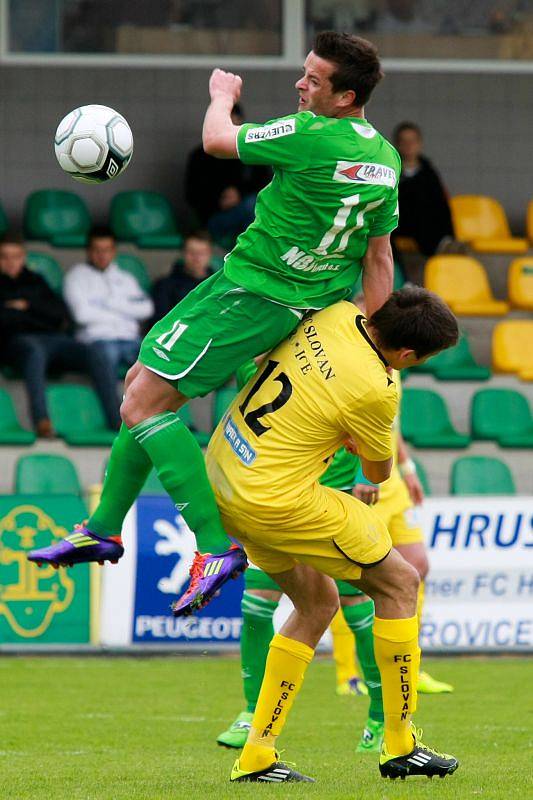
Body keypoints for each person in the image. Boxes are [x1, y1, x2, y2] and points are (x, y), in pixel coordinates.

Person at [29, 32, 400, 616]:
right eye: (303, 73)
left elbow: (215, 140)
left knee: (142, 405)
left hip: (250, 294)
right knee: (140, 383)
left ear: (347, 96)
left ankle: (212, 547)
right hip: (301, 304)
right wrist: (374, 350)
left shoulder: (311, 135)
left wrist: (221, 95)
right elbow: (378, 258)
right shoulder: (384, 160)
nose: (300, 85)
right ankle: (102, 526)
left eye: (314, 80)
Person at [206, 288, 459, 782]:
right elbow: (377, 470)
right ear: (407, 356)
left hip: (225, 476)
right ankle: (400, 744)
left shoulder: (336, 314)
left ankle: (257, 753)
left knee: (318, 603)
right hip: (278, 498)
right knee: (401, 583)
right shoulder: (376, 388)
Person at [0, 233, 116, 437]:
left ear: (23, 257)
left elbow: (60, 314)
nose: (11, 262)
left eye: (16, 256)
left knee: (96, 352)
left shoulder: (36, 281)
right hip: (17, 344)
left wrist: (25, 307)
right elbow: (6, 321)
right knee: (34, 352)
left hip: (54, 340)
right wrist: (33, 314)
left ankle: (118, 421)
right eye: (4, 256)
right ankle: (42, 421)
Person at [63, 226, 154, 429]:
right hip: (97, 340)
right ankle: (118, 422)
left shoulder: (125, 278)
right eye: (97, 249)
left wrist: (107, 304)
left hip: (130, 340)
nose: (102, 255)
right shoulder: (76, 277)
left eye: (107, 249)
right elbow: (82, 315)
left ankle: (170, 420)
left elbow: (146, 308)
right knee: (104, 357)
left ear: (114, 251)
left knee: (158, 358)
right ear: (88, 250)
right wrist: (125, 309)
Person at [184, 104, 271, 246]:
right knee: (250, 207)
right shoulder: (201, 156)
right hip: (214, 217)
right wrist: (220, 199)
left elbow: (267, 184)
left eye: (234, 124)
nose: (229, 130)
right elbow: (192, 194)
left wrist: (239, 195)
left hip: (249, 210)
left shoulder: (251, 152)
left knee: (255, 204)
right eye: (226, 124)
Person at [392, 121, 453, 256]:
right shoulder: (390, 171)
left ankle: (445, 245)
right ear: (397, 144)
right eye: (404, 141)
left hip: (425, 225)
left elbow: (442, 205)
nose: (409, 146)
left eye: (412, 141)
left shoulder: (429, 173)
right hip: (398, 223)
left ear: (420, 144)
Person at [151, 231, 213, 324]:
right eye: (191, 252)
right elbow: (161, 323)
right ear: (183, 253)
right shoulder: (164, 285)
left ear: (209, 254)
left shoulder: (219, 285)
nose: (196, 258)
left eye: (202, 253)